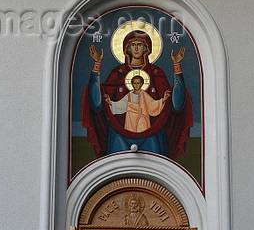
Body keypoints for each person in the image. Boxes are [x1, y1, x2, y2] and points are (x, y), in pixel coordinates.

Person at [82, 29, 193, 159]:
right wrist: (97, 65)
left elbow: (176, 105)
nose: (136, 48)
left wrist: (176, 66)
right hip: (120, 134)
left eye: (140, 44)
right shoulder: (118, 73)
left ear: (146, 48)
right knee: (117, 167)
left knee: (156, 168)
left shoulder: (156, 73)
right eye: (132, 44)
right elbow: (97, 104)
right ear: (126, 48)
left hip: (152, 134)